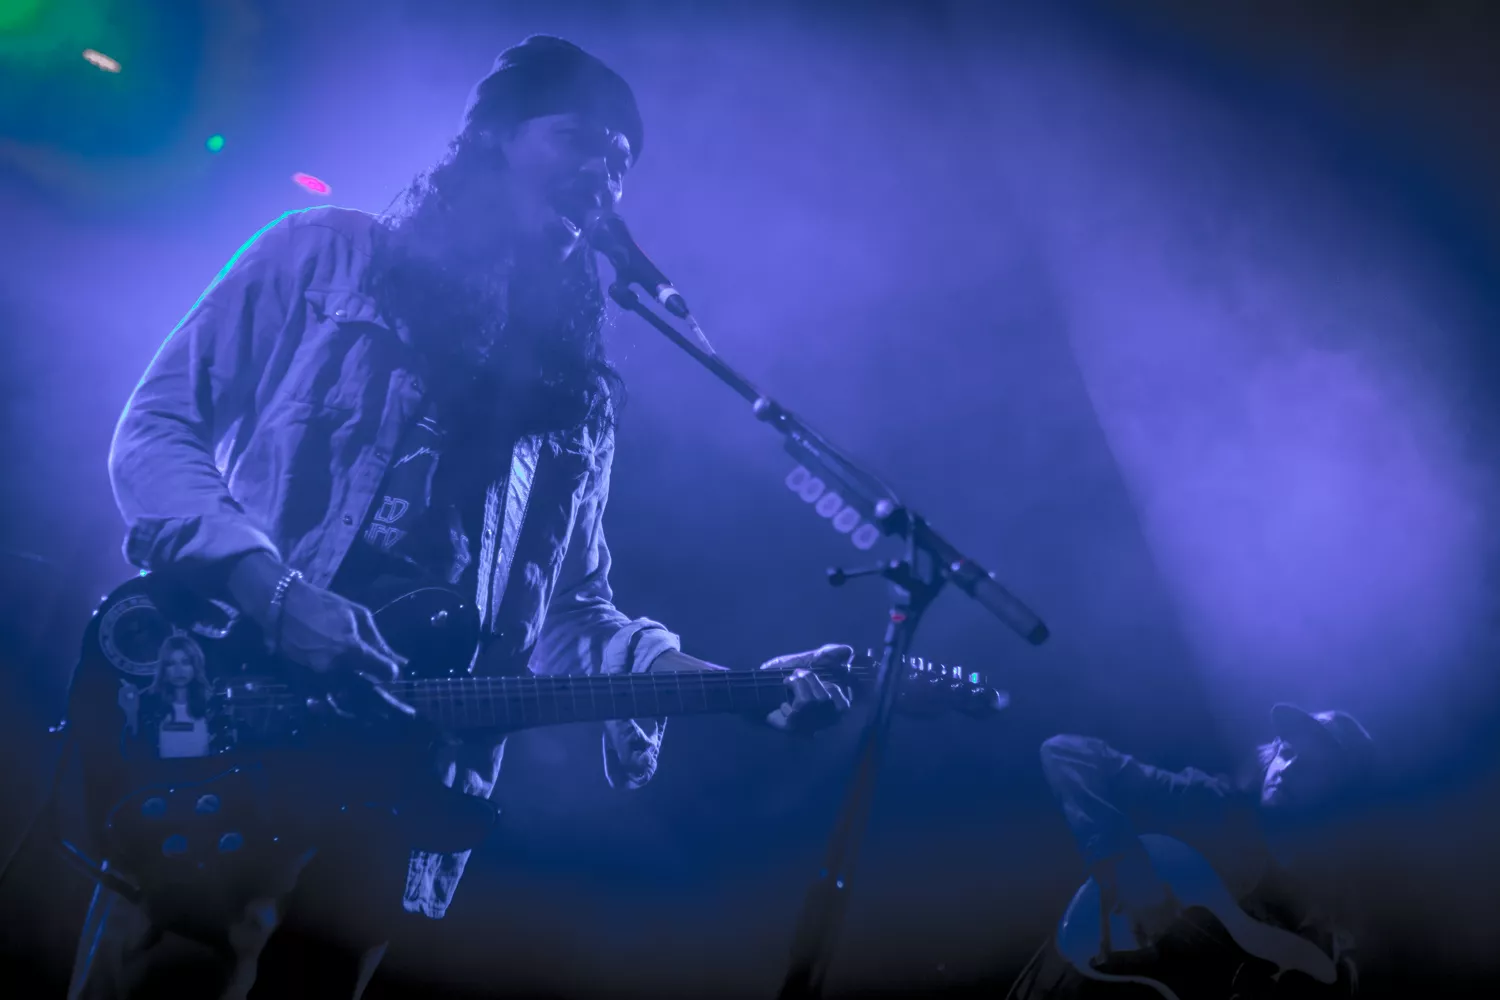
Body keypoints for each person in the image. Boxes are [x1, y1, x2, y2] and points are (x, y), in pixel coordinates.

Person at [69, 34, 853, 1000]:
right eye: (579, 139)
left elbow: (572, 613)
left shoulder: (575, 397)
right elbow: (157, 432)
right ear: (493, 138)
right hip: (236, 710)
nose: (604, 174)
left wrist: (734, 687)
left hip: (404, 789)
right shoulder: (327, 257)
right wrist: (270, 592)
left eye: (621, 161)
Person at [1007, 703, 1377, 999]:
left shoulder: (1327, 911)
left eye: (1311, 767)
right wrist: (1128, 868)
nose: (1288, 769)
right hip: (1077, 984)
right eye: (1288, 751)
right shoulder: (1208, 802)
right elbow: (1067, 752)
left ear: (1338, 795)